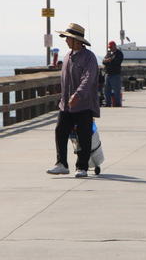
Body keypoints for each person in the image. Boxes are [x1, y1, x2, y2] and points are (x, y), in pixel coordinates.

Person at [47, 23, 100, 178]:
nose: (66, 41)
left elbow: (88, 79)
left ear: (77, 41)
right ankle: (61, 164)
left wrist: (77, 95)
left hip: (83, 103)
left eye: (68, 38)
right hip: (66, 105)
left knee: (83, 134)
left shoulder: (89, 57)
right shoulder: (67, 56)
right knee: (60, 131)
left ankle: (82, 167)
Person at [102, 41, 124, 107]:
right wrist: (108, 60)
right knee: (106, 90)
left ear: (115, 46)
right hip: (107, 74)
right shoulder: (109, 53)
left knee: (116, 90)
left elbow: (116, 62)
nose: (110, 48)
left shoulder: (119, 53)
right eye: (109, 47)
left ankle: (117, 104)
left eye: (111, 47)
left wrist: (108, 60)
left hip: (115, 74)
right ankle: (107, 103)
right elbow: (103, 61)